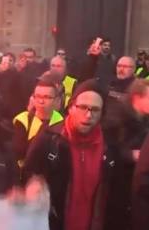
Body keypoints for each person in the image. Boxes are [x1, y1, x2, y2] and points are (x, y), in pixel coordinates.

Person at [24, 79, 115, 230]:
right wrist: (33, 184)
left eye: (95, 109)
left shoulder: (109, 147)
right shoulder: (49, 139)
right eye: (83, 107)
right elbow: (27, 174)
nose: (88, 115)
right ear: (71, 107)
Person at [103, 79, 149, 230]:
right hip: (117, 182)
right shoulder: (117, 116)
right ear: (137, 98)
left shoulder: (144, 119)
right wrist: (131, 155)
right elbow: (109, 147)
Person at [13, 74, 63, 180]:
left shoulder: (62, 123)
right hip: (26, 177)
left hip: (53, 177)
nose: (41, 101)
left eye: (47, 97)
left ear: (57, 101)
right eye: (38, 96)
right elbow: (19, 152)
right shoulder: (24, 119)